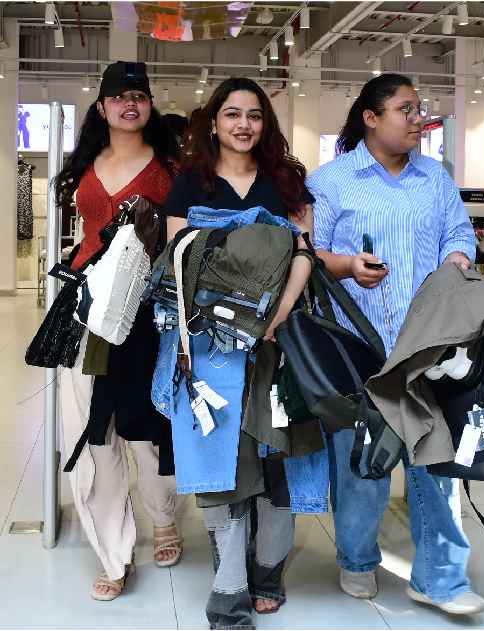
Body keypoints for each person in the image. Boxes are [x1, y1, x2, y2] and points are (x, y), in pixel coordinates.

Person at [307, 73, 484, 615]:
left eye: (419, 109)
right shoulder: (332, 181)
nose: (417, 119)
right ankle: (357, 559)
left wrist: (457, 260)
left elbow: (458, 233)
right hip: (358, 350)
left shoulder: (434, 178)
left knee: (435, 463)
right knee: (362, 462)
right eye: (406, 109)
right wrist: (347, 265)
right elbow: (308, 255)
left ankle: (439, 578)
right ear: (371, 117)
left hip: (427, 348)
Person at [163, 77, 314, 630]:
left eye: (254, 115)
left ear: (265, 124)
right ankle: (228, 589)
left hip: (278, 340)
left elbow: (304, 252)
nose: (243, 124)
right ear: (214, 122)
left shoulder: (285, 184)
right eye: (232, 114)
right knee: (220, 459)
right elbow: (180, 263)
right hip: (210, 345)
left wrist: (279, 314)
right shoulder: (190, 183)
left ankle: (268, 570)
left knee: (277, 452)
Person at [53, 61, 181, 601]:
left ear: (149, 105)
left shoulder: (171, 167)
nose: (130, 104)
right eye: (119, 97)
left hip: (146, 312)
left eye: (140, 96)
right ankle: (113, 550)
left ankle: (164, 517)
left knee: (147, 428)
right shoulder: (84, 162)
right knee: (95, 432)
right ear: (102, 107)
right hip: (86, 310)